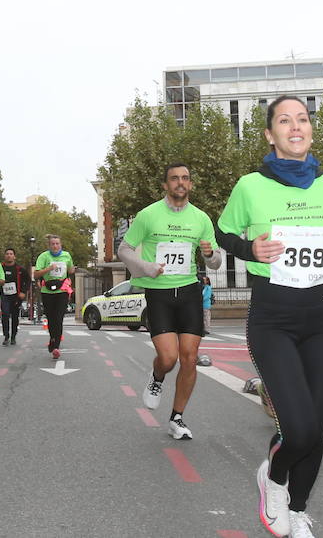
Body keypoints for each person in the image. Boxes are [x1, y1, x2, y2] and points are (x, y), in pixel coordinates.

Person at [214, 96, 323, 538]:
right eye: (285, 120)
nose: (295, 126)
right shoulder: (250, 186)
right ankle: (273, 477)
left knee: (317, 427)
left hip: (320, 316)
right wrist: (250, 250)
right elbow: (224, 232)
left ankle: (297, 509)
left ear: (310, 131)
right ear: (270, 134)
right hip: (273, 318)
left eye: (302, 119)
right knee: (297, 429)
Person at [117, 163, 221, 441]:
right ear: (165, 185)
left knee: (189, 359)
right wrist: (146, 267)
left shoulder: (201, 218)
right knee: (168, 358)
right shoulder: (148, 215)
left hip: (188, 291)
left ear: (191, 184)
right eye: (174, 178)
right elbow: (124, 249)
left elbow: (215, 261)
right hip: (159, 293)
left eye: (185, 178)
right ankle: (157, 377)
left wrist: (210, 255)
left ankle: (177, 418)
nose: (180, 182)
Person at [33, 234, 75, 359]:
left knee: (59, 318)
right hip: (47, 290)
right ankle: (52, 338)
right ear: (49, 245)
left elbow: (70, 269)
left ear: (60, 245)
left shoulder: (66, 255)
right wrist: (49, 268)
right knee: (51, 319)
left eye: (57, 244)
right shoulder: (43, 256)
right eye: (53, 244)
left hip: (62, 290)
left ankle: (56, 346)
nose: (55, 246)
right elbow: (36, 274)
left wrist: (72, 269)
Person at [0, 247, 31, 345]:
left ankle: (13, 336)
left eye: (11, 254)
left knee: (14, 316)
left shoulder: (20, 269)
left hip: (16, 296)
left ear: (14, 256)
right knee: (5, 314)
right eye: (7, 254)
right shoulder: (0, 267)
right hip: (4, 295)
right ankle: (6, 336)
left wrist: (23, 292)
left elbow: (28, 280)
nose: (9, 255)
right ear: (4, 256)